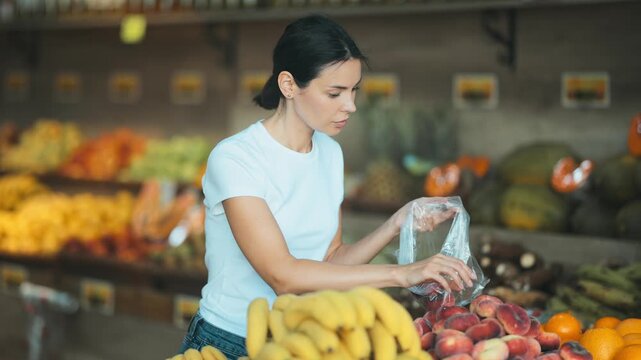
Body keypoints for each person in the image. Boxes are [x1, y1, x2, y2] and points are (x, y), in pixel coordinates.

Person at [178, 14, 476, 358]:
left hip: (301, 339)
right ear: (288, 85)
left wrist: (397, 222)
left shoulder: (330, 153)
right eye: (334, 92)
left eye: (353, 91)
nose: (349, 106)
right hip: (226, 340)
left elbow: (331, 260)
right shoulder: (235, 158)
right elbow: (283, 275)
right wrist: (402, 274)